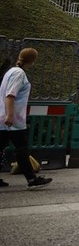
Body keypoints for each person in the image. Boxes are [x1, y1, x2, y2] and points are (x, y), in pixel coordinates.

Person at [0, 48, 52, 190]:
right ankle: (31, 179)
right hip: (13, 119)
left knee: (1, 147)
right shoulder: (19, 74)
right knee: (22, 149)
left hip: (3, 117)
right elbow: (11, 95)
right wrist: (10, 115)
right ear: (32, 61)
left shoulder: (10, 71)